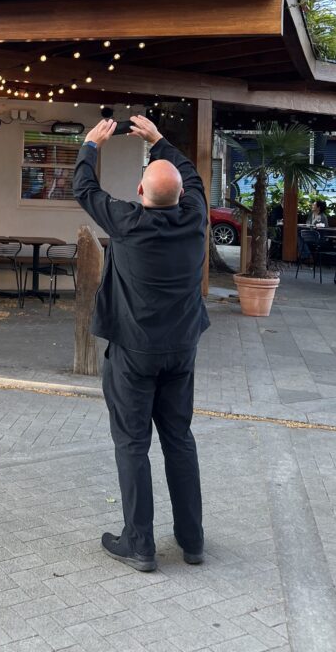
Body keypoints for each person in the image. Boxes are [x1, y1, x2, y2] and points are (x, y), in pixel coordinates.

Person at [73, 114, 209, 572]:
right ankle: (192, 541)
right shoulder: (195, 219)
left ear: (139, 194)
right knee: (179, 439)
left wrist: (92, 145)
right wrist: (160, 141)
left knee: (133, 443)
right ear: (184, 199)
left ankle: (140, 544)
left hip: (133, 352)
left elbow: (84, 191)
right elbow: (190, 176)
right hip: (181, 350)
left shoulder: (129, 221)